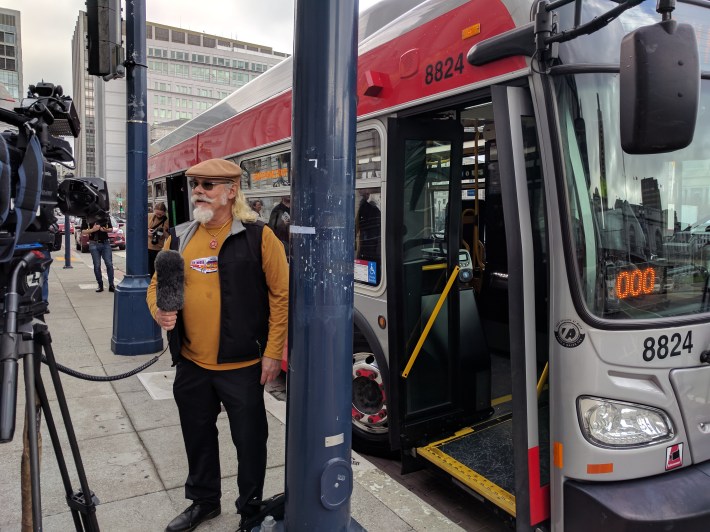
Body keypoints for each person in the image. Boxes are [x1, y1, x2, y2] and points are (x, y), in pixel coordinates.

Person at [146, 158, 288, 532]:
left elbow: (281, 295)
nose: (198, 191)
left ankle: (250, 509)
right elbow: (157, 285)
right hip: (192, 363)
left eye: (207, 185)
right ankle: (204, 502)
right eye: (196, 184)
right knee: (197, 437)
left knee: (250, 442)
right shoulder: (180, 235)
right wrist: (159, 311)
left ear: (231, 191)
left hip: (241, 365)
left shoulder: (259, 236)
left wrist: (273, 352)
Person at [81, 215, 115, 293]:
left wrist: (105, 230)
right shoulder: (86, 216)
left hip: (105, 243)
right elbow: (83, 231)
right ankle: (100, 285)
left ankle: (111, 285)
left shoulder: (105, 215)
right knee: (97, 265)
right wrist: (93, 230)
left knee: (109, 264)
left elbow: (111, 229)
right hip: (93, 243)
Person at [147, 202, 169, 277]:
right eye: (156, 214)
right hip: (146, 247)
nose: (158, 216)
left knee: (155, 270)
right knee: (147, 270)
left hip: (157, 248)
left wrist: (163, 231)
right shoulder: (149, 216)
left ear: (164, 213)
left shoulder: (167, 221)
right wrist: (147, 231)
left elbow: (169, 237)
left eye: (161, 214)